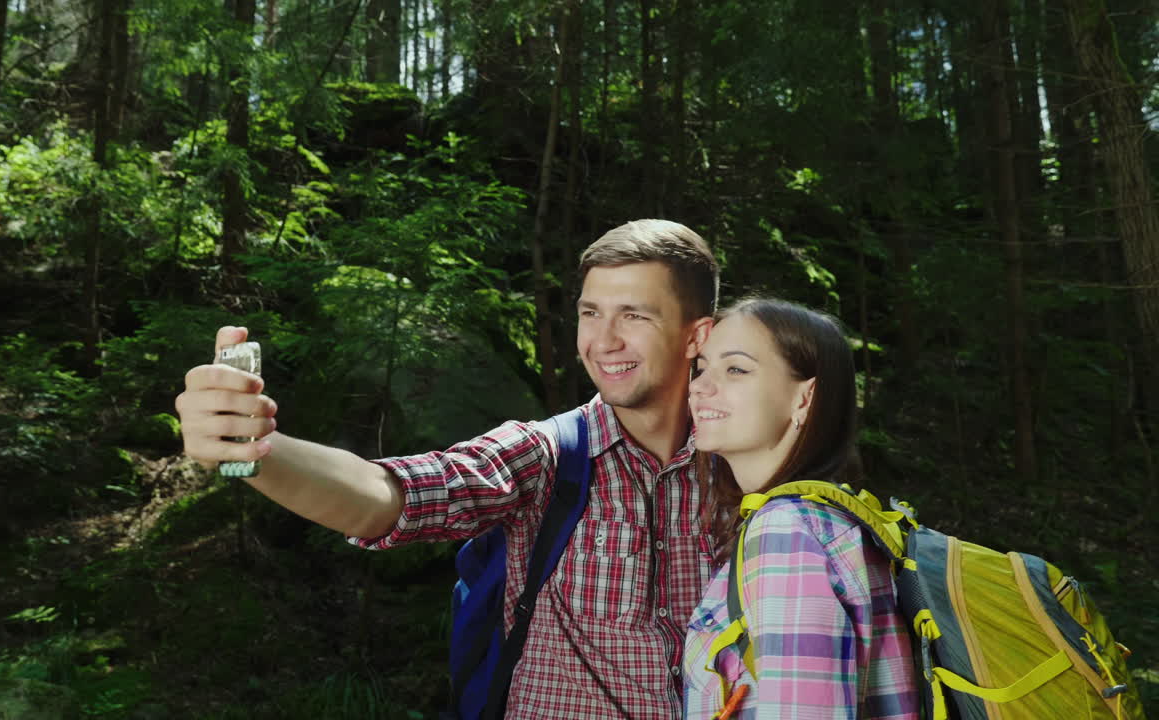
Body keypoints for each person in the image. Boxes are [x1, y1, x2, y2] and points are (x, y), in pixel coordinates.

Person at [175, 219, 720, 719]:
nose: (603, 342)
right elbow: (389, 497)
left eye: (634, 316)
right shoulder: (548, 457)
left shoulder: (750, 467)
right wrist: (255, 448)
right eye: (590, 313)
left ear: (696, 337)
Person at [682, 297, 918, 719]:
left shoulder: (785, 530)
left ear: (805, 399)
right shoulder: (829, 518)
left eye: (735, 369)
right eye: (700, 367)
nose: (699, 386)